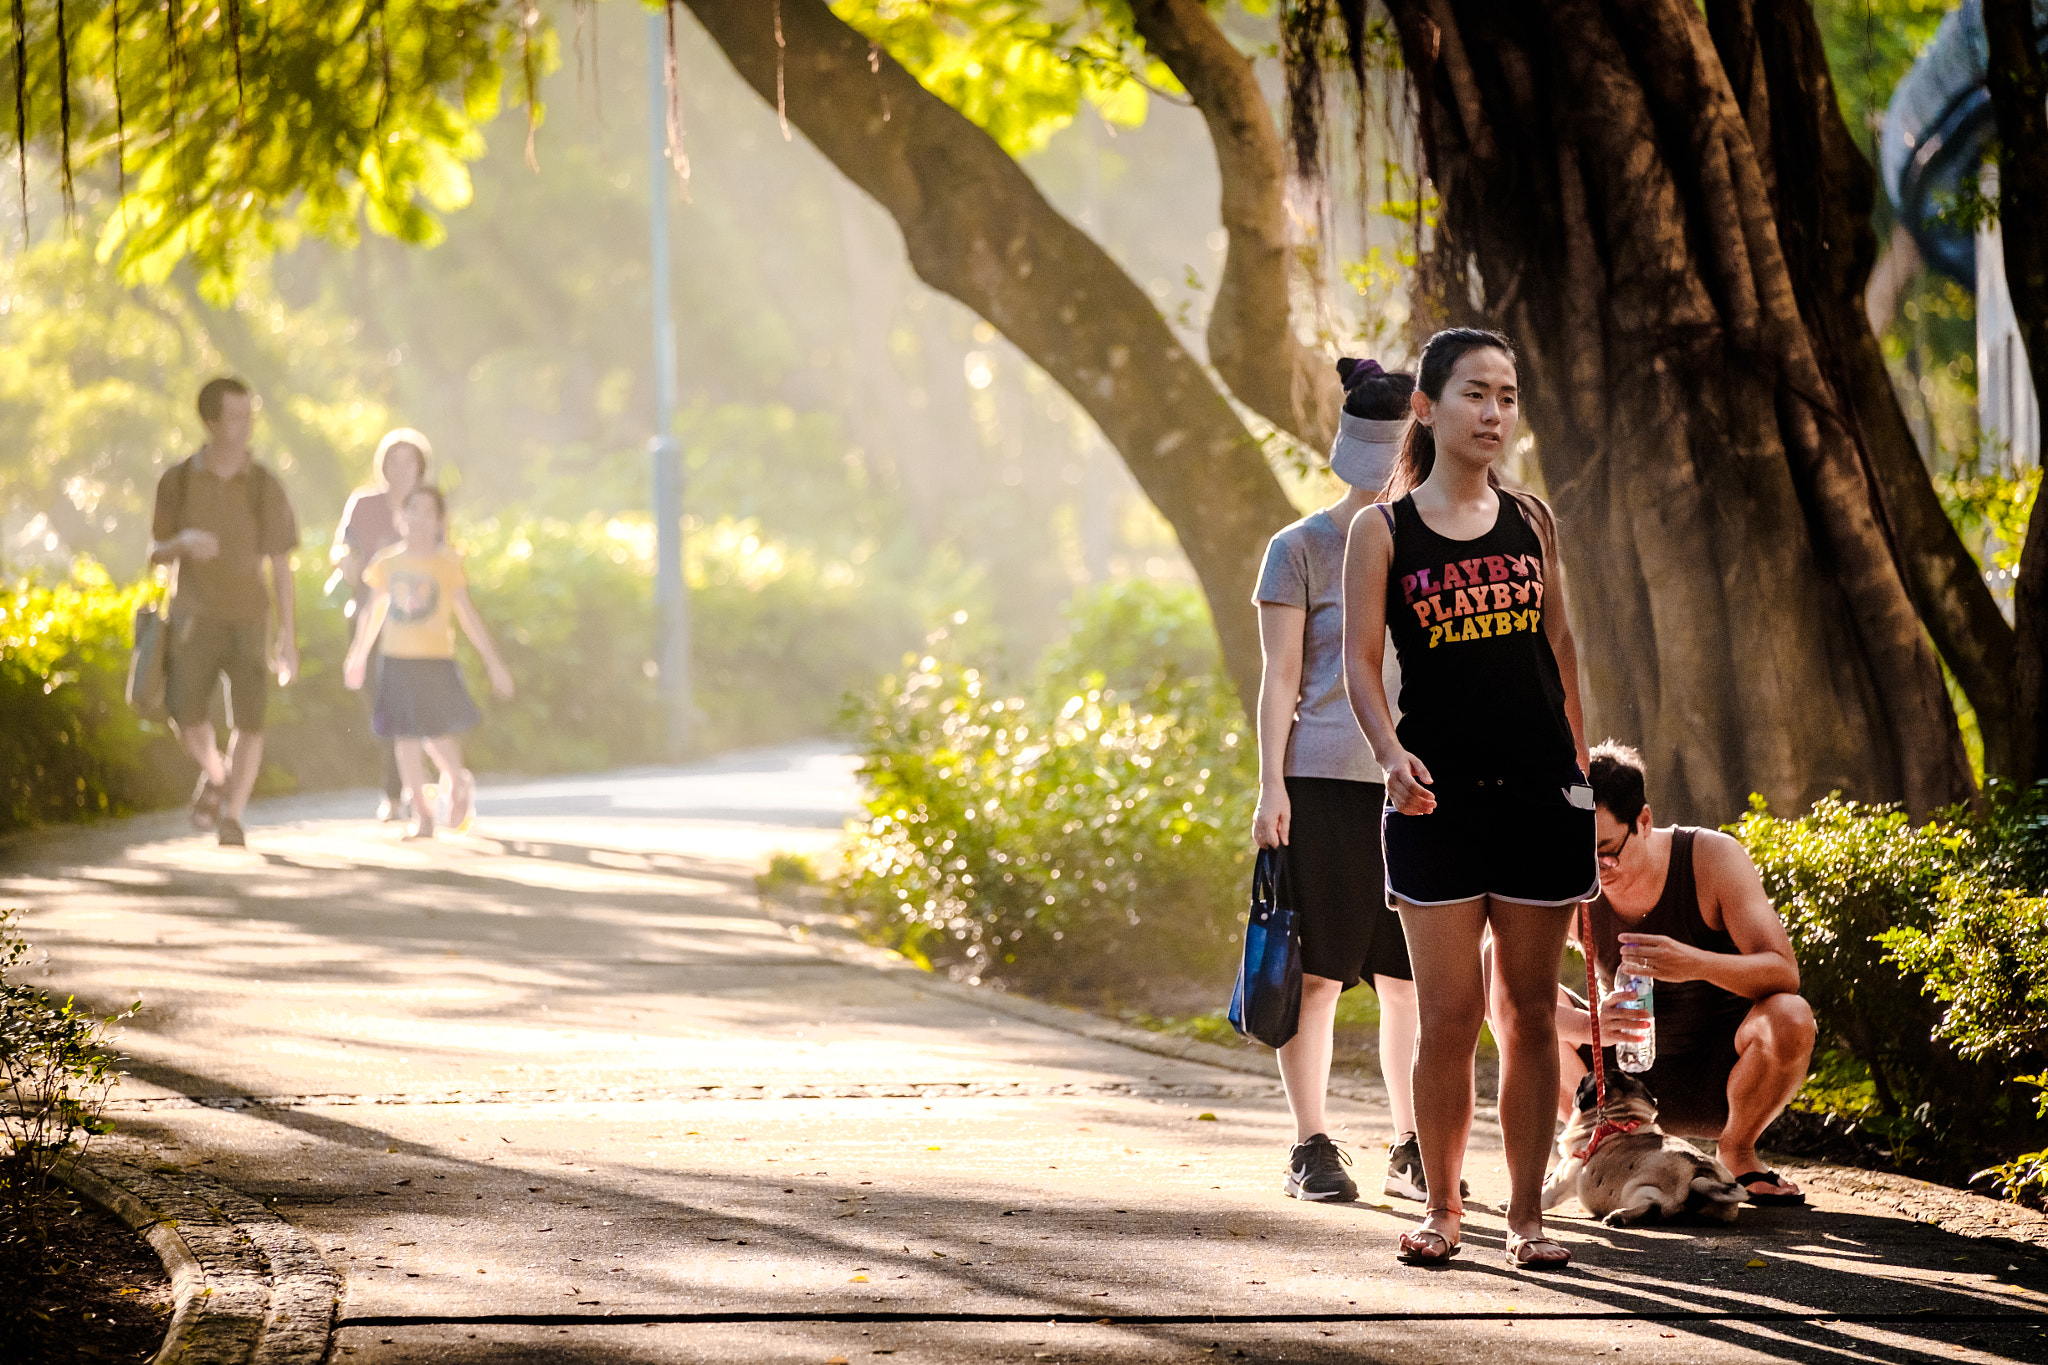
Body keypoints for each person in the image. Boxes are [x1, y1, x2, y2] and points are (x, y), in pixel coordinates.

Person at [1340, 327, 1594, 1270]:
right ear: (1427, 406)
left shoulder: (1531, 519)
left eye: (1508, 396)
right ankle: (1445, 1210)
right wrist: (1389, 752)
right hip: (1433, 800)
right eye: (1475, 395)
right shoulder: (1384, 529)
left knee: (1528, 1011)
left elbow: (1561, 652)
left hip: (1538, 796)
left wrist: (1579, 777)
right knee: (1448, 1015)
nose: (1494, 414)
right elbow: (1361, 664)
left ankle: (1527, 1217)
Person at [1253, 358, 1431, 1204]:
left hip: (1422, 787)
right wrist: (1270, 788)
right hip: (1322, 781)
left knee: (1411, 981)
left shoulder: (1435, 542)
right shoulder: (1297, 550)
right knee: (1318, 973)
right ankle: (1311, 1145)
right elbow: (1278, 682)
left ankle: (1414, 1141)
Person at [1556, 741, 1816, 1207]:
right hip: (1622, 1081)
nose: (1595, 869)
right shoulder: (1571, 878)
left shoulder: (1711, 858)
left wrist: (1694, 962)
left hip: (1717, 1076)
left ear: (1644, 821)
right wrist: (1589, 1023)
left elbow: (1784, 974)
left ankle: (1738, 1151)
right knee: (1505, 980)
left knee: (1791, 1016)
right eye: (1579, 854)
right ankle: (1598, 1145)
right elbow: (1501, 983)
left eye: (1606, 851)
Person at [147, 377, 301, 848]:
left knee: (250, 720)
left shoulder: (264, 484)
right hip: (193, 615)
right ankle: (216, 774)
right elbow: (154, 550)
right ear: (211, 421)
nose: (245, 424)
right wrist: (183, 544)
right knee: (184, 712)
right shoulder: (177, 479)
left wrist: (288, 635)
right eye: (235, 416)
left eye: (249, 414)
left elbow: (281, 562)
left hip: (250, 617)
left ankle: (233, 816)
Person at [343, 485, 513, 840]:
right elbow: (373, 612)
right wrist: (358, 653)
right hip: (396, 662)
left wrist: (494, 663)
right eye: (413, 511)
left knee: (437, 735)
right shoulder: (387, 563)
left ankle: (459, 779)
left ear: (439, 521)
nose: (420, 520)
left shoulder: (448, 564)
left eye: (429, 513)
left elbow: (467, 616)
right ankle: (421, 814)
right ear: (399, 518)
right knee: (405, 738)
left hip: (436, 663)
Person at [332, 429, 432, 821]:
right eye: (393, 461)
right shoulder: (363, 504)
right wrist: (345, 562)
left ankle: (400, 792)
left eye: (409, 461)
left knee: (407, 703)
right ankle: (404, 785)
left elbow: (440, 554)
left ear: (420, 467)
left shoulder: (427, 505)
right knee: (382, 704)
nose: (400, 469)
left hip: (413, 619)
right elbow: (344, 547)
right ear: (382, 466)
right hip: (367, 617)